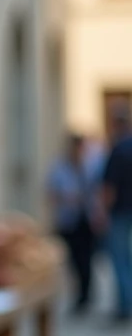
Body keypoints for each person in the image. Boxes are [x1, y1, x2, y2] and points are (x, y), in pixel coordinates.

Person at [47, 133, 101, 313]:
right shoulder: (59, 167)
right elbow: (50, 192)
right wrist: (66, 199)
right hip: (69, 219)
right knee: (73, 259)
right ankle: (78, 293)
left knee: (87, 258)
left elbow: (99, 190)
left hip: (86, 218)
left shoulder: (92, 166)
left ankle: (86, 294)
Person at [103, 111, 132, 322]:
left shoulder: (118, 149)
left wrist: (103, 211)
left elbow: (109, 187)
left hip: (121, 211)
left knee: (120, 258)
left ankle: (125, 305)